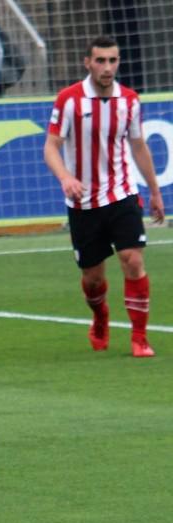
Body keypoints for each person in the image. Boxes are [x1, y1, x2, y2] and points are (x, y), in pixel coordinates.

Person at [44, 35, 165, 358]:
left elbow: (138, 146)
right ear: (88, 63)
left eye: (113, 60)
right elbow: (51, 146)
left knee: (133, 260)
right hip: (83, 202)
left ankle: (140, 338)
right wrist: (66, 177)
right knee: (93, 278)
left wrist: (154, 192)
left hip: (123, 194)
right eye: (101, 60)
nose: (107, 67)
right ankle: (100, 317)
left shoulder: (129, 100)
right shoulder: (69, 100)